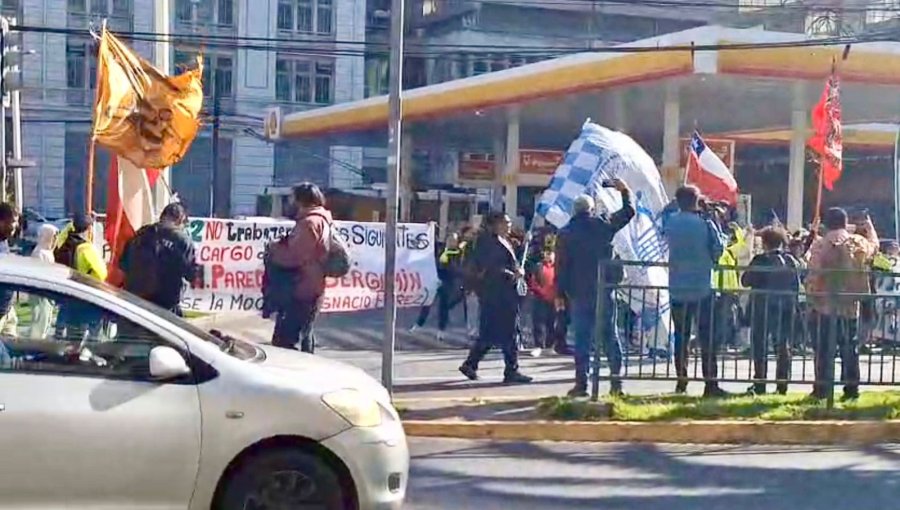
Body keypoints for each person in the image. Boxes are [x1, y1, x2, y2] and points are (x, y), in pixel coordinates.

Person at [556, 180, 635, 397]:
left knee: (582, 338)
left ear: (574, 211)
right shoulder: (603, 225)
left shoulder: (565, 233)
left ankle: (582, 384)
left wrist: (559, 294)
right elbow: (629, 212)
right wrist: (624, 190)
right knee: (610, 337)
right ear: (591, 210)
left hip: (578, 293)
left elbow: (561, 266)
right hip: (604, 289)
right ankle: (616, 384)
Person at [806, 207, 878, 401]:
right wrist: (870, 228)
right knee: (849, 349)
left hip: (825, 305)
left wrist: (811, 297)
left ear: (825, 224)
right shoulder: (858, 242)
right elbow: (874, 247)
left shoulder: (820, 245)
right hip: (849, 305)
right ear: (845, 222)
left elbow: (812, 271)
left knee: (823, 349)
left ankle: (822, 389)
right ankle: (851, 389)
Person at [662, 185, 726, 397]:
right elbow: (718, 251)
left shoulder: (670, 222)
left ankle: (682, 380)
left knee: (681, 336)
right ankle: (710, 383)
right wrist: (711, 217)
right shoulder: (705, 223)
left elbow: (665, 213)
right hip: (701, 287)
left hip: (677, 287)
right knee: (707, 337)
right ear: (696, 201)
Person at [458, 211, 532, 384]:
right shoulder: (488, 242)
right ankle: (511, 370)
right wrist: (513, 274)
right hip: (498, 294)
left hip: (498, 294)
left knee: (490, 333)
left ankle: (471, 363)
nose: (509, 225)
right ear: (494, 224)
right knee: (510, 332)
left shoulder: (498, 241)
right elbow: (493, 268)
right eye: (505, 222)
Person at [268, 183, 332, 353]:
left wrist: (274, 250)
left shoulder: (309, 224)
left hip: (301, 289)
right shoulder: (320, 221)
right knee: (305, 335)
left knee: (286, 343)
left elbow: (295, 256)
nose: (290, 203)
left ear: (301, 200)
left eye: (292, 198)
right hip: (310, 287)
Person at [741, 227, 801, 395]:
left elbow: (745, 281)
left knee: (760, 346)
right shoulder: (790, 260)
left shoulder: (760, 260)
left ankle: (760, 382)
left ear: (765, 243)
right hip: (786, 307)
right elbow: (796, 284)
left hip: (762, 307)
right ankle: (782, 384)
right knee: (783, 345)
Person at [120, 203, 197, 315]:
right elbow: (191, 274)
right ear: (180, 219)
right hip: (165, 308)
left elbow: (123, 265)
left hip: (135, 305)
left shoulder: (140, 234)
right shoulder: (182, 241)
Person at [411, 232, 466, 340]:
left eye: (454, 241)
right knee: (427, 303)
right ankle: (418, 325)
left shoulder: (458, 253)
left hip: (447, 281)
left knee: (443, 306)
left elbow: (456, 268)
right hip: (434, 279)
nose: (452, 242)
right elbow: (427, 242)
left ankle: (441, 330)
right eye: (450, 240)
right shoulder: (439, 248)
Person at [527, 249, 563, 351]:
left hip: (554, 299)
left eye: (551, 253)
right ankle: (539, 345)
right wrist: (540, 291)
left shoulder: (558, 267)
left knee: (552, 323)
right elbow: (533, 282)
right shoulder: (539, 266)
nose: (548, 256)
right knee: (539, 322)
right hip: (541, 298)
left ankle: (550, 345)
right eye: (547, 253)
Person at [29, 223, 59, 339]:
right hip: (40, 294)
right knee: (39, 321)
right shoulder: (39, 253)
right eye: (53, 236)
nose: (55, 239)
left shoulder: (48, 252)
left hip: (47, 294)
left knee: (46, 320)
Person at [0, 203, 19, 338]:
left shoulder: (3, 241)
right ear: (1, 222)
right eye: (13, 222)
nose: (16, 226)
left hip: (7, 311)